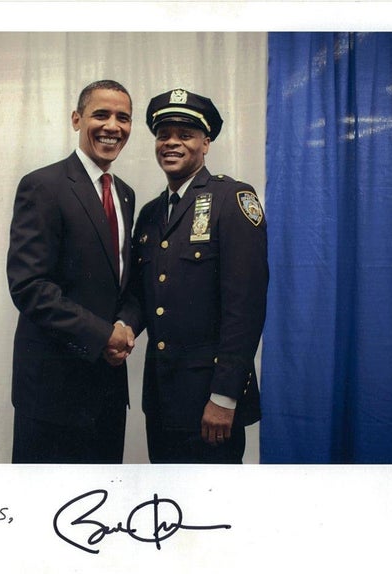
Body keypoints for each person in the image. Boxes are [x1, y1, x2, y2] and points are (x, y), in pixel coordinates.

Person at [126, 88, 268, 463]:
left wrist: (224, 397)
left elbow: (245, 308)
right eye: (163, 134)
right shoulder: (152, 213)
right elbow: (144, 296)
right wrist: (123, 327)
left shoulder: (232, 200)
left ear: (206, 143)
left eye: (185, 135)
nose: (171, 143)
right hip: (160, 399)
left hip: (211, 403)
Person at [6, 80, 138, 463]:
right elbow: (29, 286)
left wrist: (126, 327)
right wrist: (103, 335)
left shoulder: (125, 194)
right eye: (101, 114)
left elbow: (122, 283)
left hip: (108, 392)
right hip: (52, 395)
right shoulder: (42, 186)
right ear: (77, 119)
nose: (113, 126)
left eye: (123, 117)